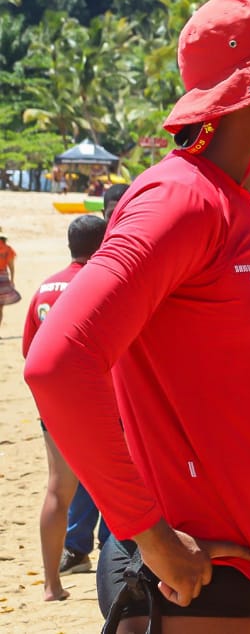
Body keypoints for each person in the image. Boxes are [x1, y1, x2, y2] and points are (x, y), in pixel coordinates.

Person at [23, 0, 250, 634]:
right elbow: (58, 364)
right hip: (204, 585)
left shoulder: (221, 203)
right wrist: (150, 535)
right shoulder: (180, 199)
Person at [22, 214, 107, 601]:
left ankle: (52, 585)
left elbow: (30, 351)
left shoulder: (45, 287)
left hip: (54, 405)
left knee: (59, 489)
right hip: (100, 402)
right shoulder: (100, 283)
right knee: (124, 485)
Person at [0, 229, 20, 332]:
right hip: (3, 279)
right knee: (0, 308)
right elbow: (11, 266)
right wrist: (12, 280)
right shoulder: (8, 249)